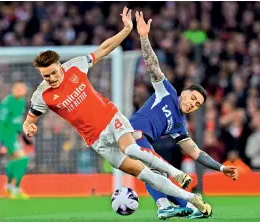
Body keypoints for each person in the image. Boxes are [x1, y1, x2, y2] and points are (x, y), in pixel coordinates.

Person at [23, 7, 212, 217]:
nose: (51, 78)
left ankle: (176, 173)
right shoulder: (41, 96)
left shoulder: (75, 67)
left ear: (60, 66)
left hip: (111, 119)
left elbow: (104, 49)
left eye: (53, 72)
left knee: (131, 150)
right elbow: (31, 118)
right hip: (96, 140)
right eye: (46, 76)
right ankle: (190, 199)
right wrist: (28, 126)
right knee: (145, 175)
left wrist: (126, 29)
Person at [130, 11, 239, 219]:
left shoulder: (178, 125)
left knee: (157, 174)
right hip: (132, 133)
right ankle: (164, 206)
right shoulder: (167, 92)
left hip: (141, 141)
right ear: (184, 93)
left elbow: (196, 153)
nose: (193, 104)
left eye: (197, 104)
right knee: (155, 170)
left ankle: (195, 207)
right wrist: (144, 37)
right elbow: (153, 65)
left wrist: (221, 167)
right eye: (192, 98)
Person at [0, 81, 30, 199]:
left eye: (22, 89)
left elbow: (17, 122)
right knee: (23, 159)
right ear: (13, 89)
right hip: (6, 136)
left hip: (13, 136)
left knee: (15, 161)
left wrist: (24, 138)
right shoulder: (7, 102)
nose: (20, 91)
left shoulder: (21, 102)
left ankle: (8, 188)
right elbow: (1, 122)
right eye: (17, 88)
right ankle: (14, 188)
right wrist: (2, 143)